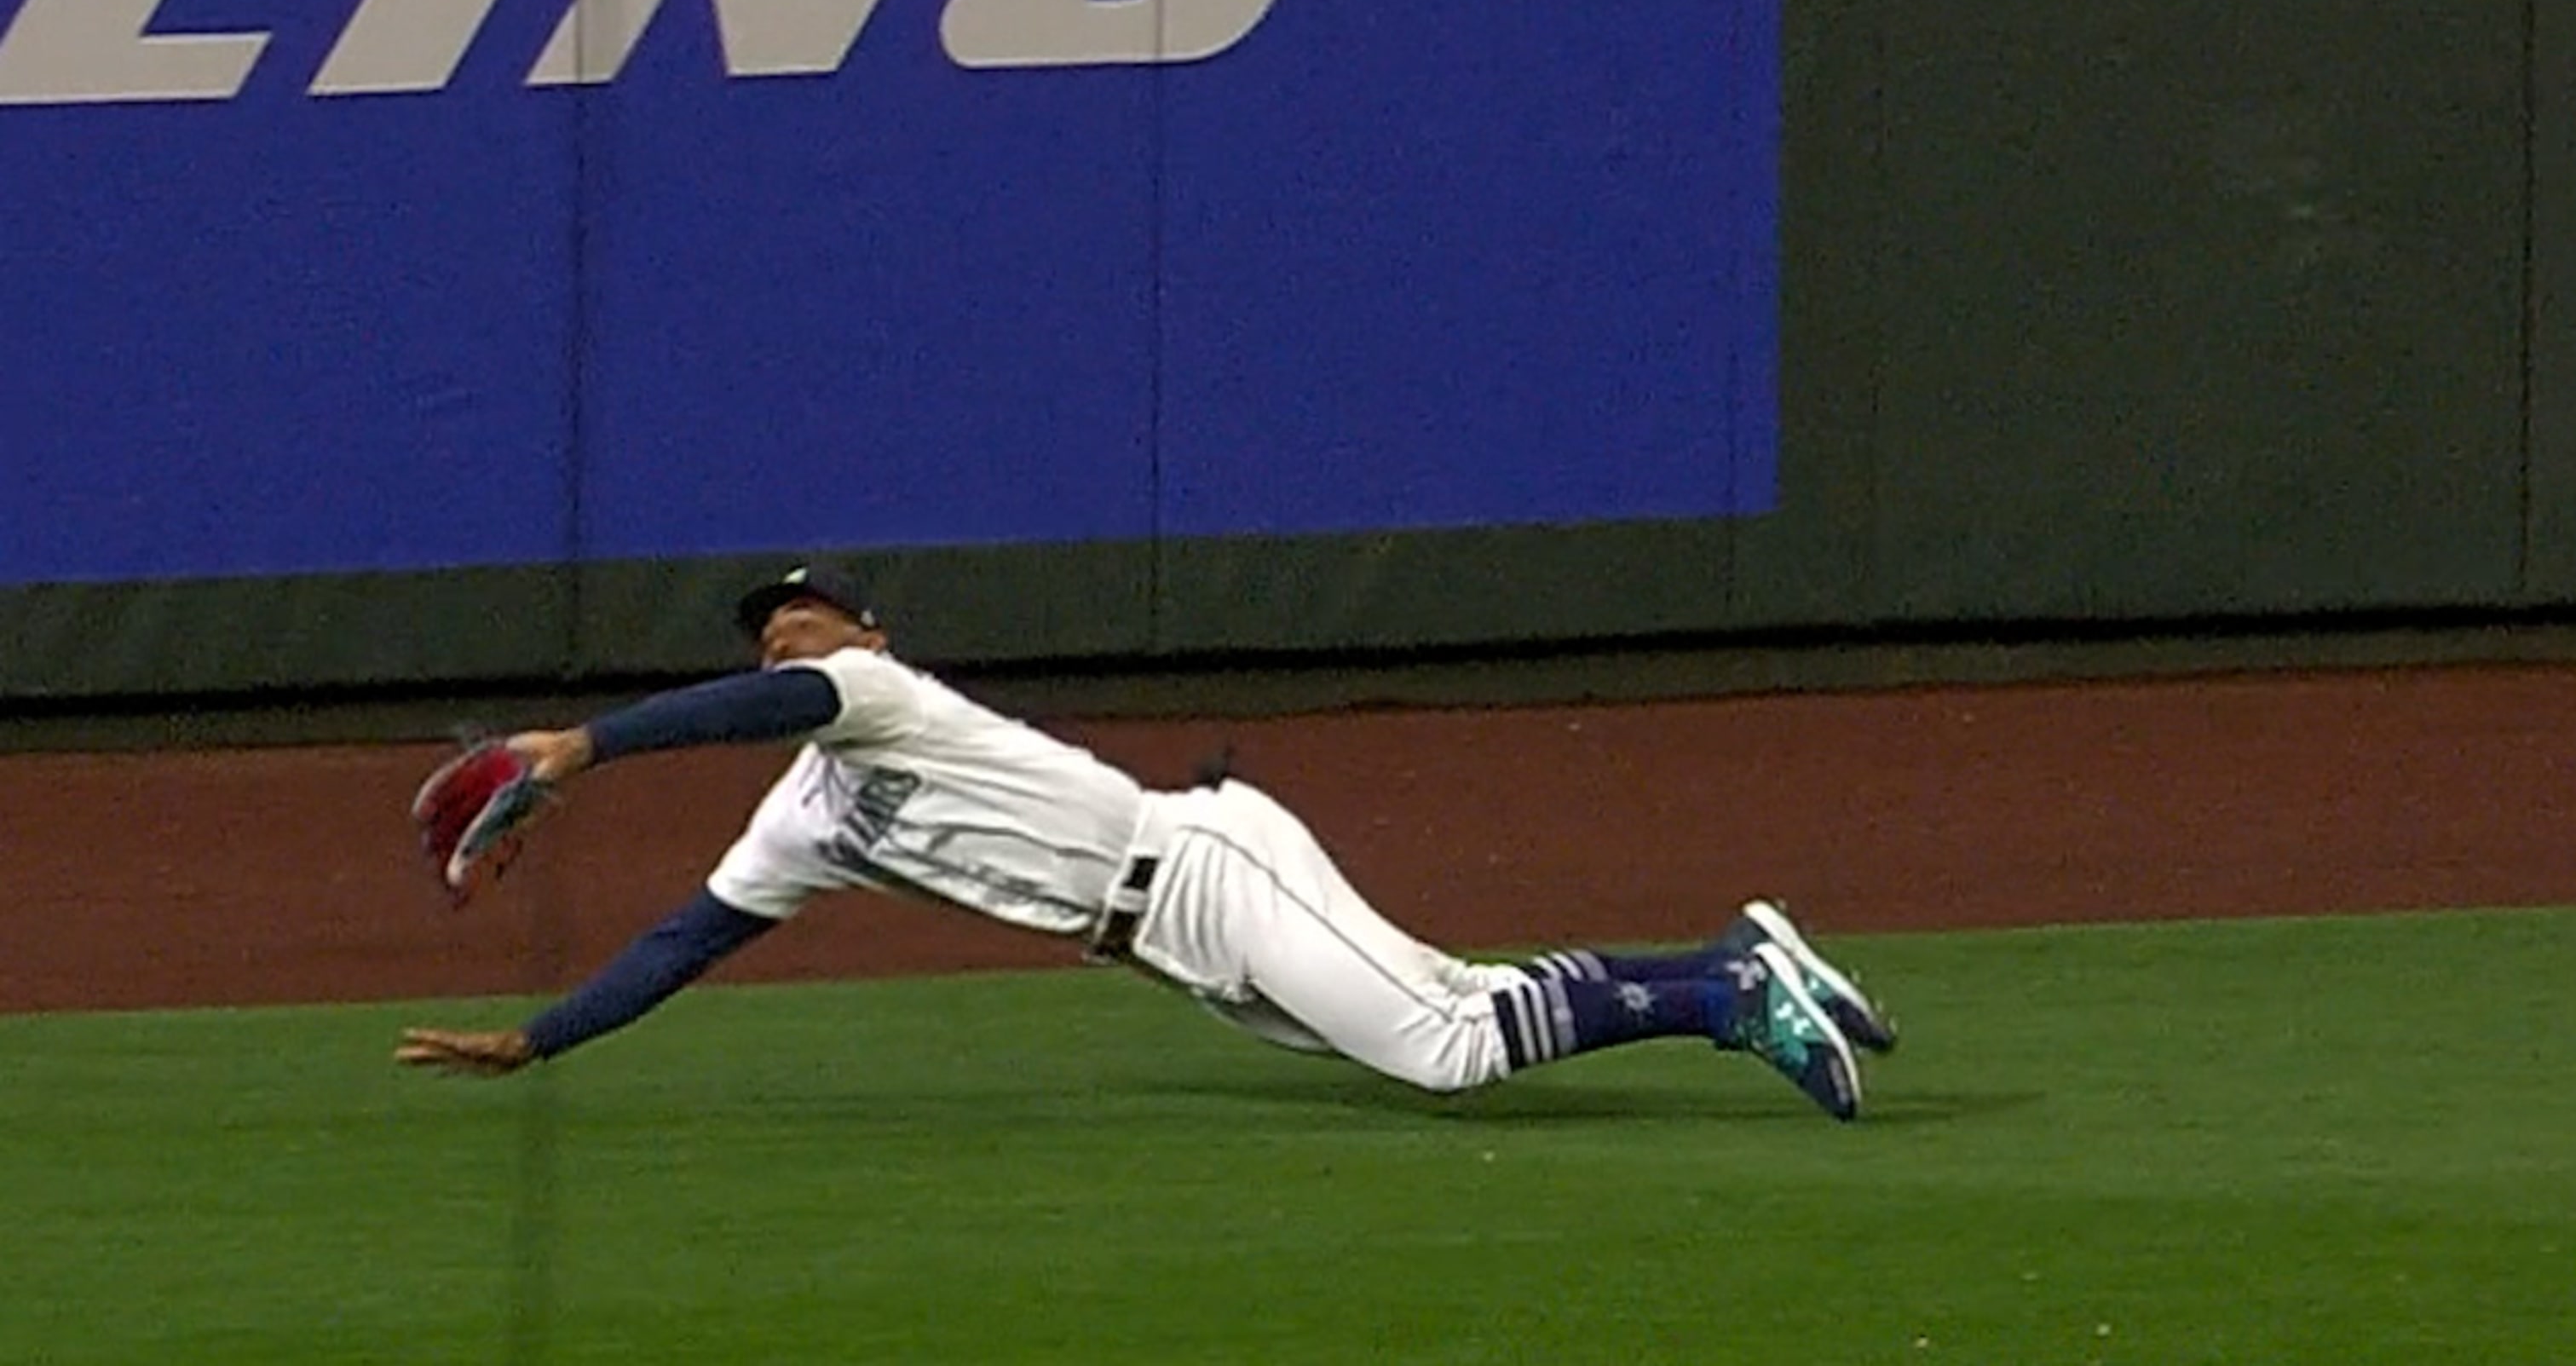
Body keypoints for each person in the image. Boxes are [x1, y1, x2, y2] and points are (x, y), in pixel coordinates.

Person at [395, 564, 1899, 1120]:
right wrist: (541, 1042)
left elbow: (753, 701)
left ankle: (1727, 999)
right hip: (1168, 943)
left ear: (867, 632)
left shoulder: (870, 692)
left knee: (1444, 1049)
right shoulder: (805, 815)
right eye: (768, 615)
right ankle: (1736, 964)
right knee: (1452, 1016)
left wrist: (577, 748)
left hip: (1199, 865)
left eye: (812, 609)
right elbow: (688, 938)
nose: (789, 627)